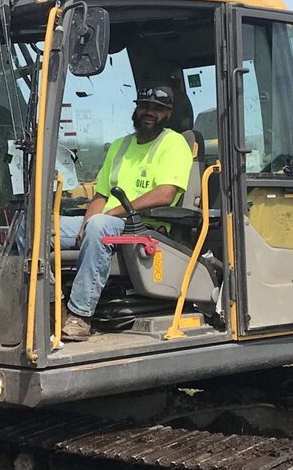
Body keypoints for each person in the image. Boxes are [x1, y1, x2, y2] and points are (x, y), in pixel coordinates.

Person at [58, 85, 194, 341]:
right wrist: (86, 223)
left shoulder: (174, 144)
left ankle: (80, 315)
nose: (149, 112)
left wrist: (109, 215)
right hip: (108, 222)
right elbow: (100, 194)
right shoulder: (120, 146)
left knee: (100, 225)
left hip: (145, 227)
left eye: (158, 109)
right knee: (34, 226)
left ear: (168, 114)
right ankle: (51, 302)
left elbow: (165, 193)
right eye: (144, 106)